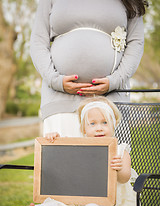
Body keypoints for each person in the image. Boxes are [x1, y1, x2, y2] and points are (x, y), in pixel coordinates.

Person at [5, 97, 154, 206]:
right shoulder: (78, 147)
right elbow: (61, 159)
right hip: (73, 202)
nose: (99, 128)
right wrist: (53, 140)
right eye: (93, 124)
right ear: (84, 129)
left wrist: (120, 168)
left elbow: (125, 177)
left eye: (104, 122)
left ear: (114, 124)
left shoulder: (121, 150)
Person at [30, 0, 148, 137]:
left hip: (111, 100)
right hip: (60, 100)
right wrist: (55, 80)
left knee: (112, 157)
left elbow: (136, 43)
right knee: (63, 157)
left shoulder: (131, 1)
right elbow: (38, 40)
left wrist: (115, 81)